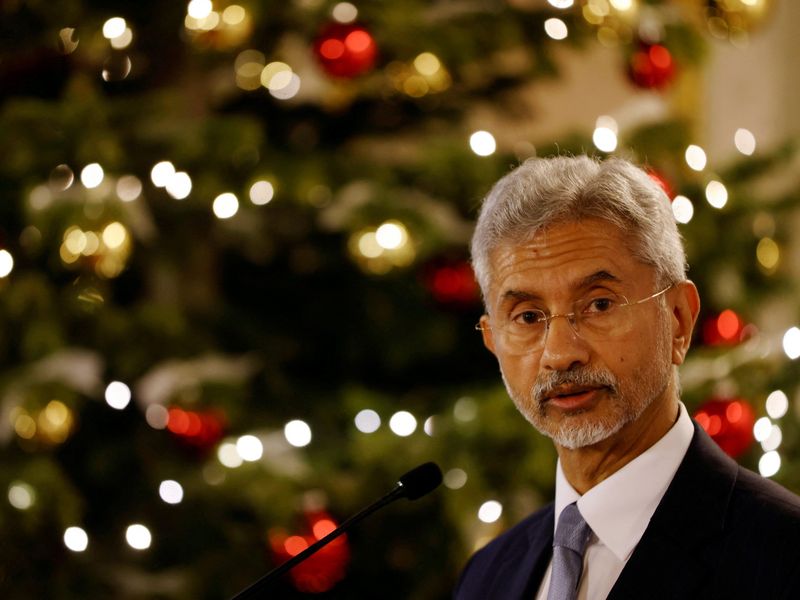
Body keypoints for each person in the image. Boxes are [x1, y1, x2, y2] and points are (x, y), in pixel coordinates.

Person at [454, 155, 800, 600]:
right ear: (492, 340)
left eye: (599, 304)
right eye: (528, 316)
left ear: (678, 320)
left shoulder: (786, 559)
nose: (560, 354)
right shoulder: (486, 575)